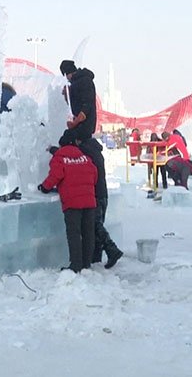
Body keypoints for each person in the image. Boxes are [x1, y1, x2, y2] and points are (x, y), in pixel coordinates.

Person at [49, 133, 123, 269]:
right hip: (100, 192)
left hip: (93, 193)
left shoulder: (84, 152)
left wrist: (54, 150)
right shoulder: (93, 150)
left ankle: (111, 250)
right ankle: (94, 259)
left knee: (94, 226)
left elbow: (69, 155)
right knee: (93, 227)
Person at [38, 129, 97, 273]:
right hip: (89, 201)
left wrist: (44, 187)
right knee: (88, 232)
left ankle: (75, 265)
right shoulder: (85, 158)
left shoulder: (60, 157)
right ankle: (86, 263)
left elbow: (55, 176)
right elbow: (94, 175)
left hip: (72, 203)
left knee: (74, 234)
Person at [60, 60, 97, 141]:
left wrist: (77, 120)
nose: (67, 79)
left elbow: (87, 103)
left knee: (68, 140)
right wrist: (67, 95)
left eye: (66, 75)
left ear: (69, 73)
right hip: (81, 123)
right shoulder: (76, 82)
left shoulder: (84, 81)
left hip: (85, 124)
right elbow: (75, 103)